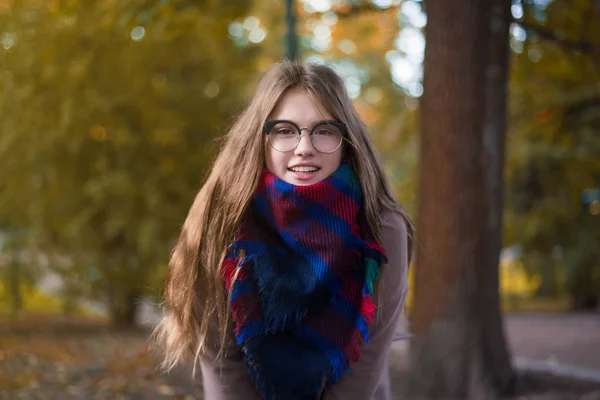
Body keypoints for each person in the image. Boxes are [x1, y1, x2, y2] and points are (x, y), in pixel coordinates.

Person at [152, 61, 412, 400]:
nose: (304, 147)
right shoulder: (220, 222)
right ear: (261, 138)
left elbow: (369, 359)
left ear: (346, 140)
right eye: (285, 130)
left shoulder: (382, 226)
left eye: (324, 130)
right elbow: (223, 364)